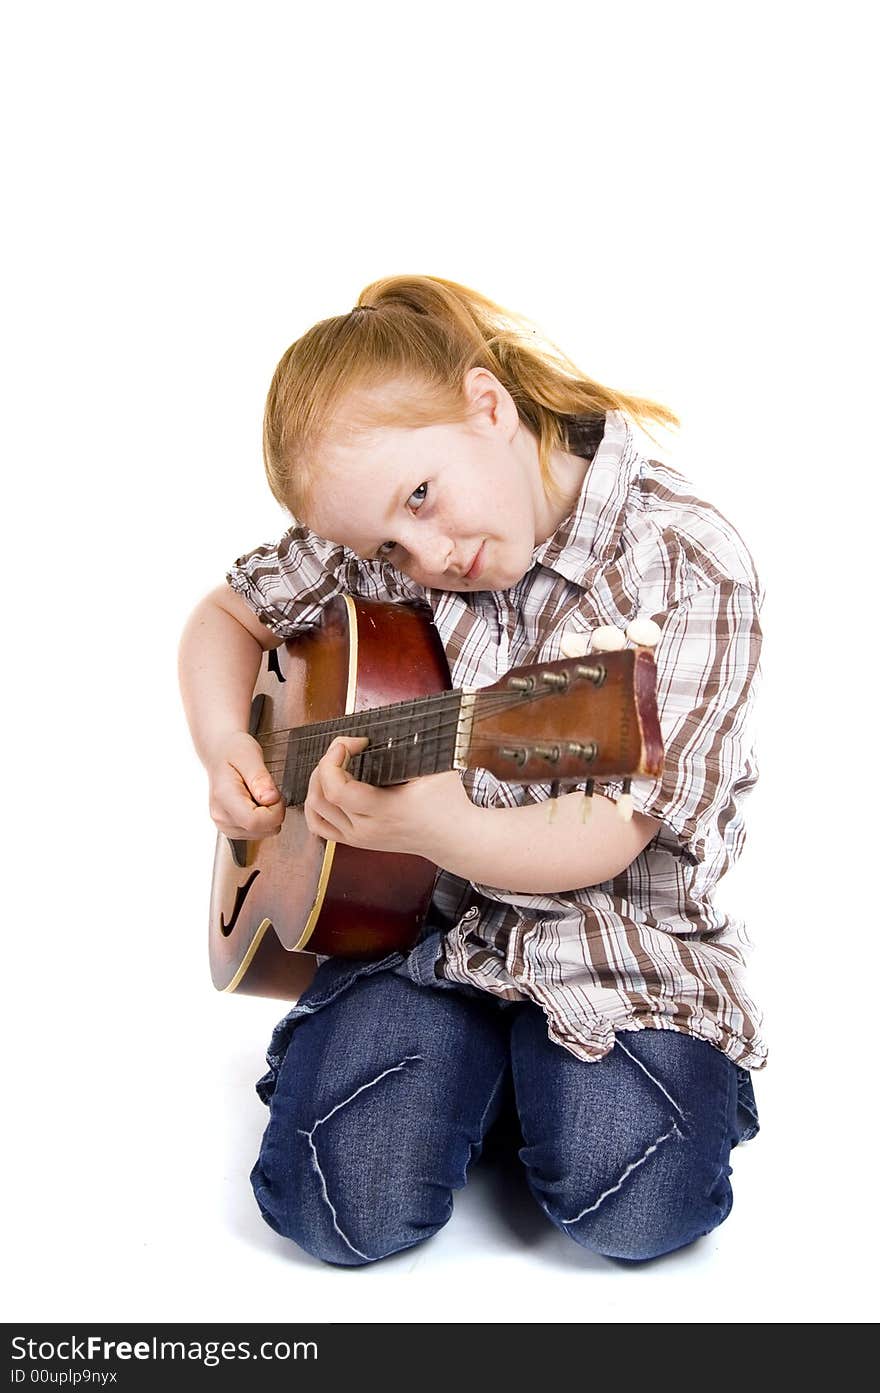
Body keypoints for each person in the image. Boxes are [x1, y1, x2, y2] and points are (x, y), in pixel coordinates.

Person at [178, 274, 765, 1268]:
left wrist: (441, 830)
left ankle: (508, 1078)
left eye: (422, 497)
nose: (424, 554)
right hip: (414, 935)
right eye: (385, 546)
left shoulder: (680, 563)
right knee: (333, 1207)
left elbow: (610, 831)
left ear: (486, 406)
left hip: (615, 946)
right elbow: (227, 618)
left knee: (635, 1201)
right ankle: (467, 1066)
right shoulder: (387, 545)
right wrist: (224, 739)